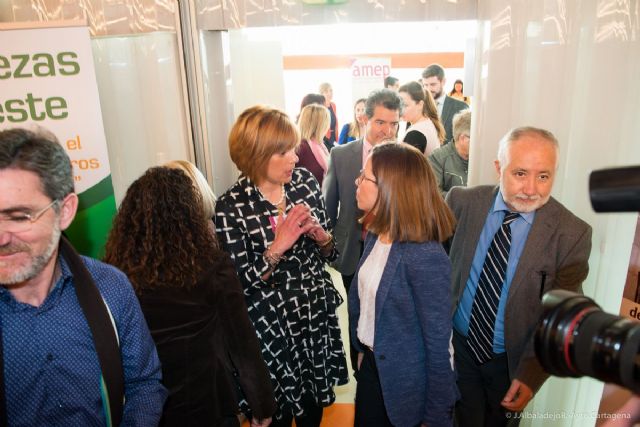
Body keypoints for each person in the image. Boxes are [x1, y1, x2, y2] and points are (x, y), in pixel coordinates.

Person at [0, 127, 166, 425]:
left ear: (65, 211)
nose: (2, 237)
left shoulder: (110, 288)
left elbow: (143, 384)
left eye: (19, 216)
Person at [104, 167, 276, 427]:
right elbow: (242, 342)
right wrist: (262, 405)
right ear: (189, 216)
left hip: (149, 408)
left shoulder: (117, 275)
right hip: (209, 403)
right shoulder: (212, 268)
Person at [446, 127, 592, 426]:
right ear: (499, 168)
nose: (531, 189)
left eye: (543, 176)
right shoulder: (462, 202)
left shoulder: (572, 234)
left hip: (512, 365)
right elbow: (435, 268)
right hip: (456, 350)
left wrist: (531, 376)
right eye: (520, 173)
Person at [214, 106, 348, 427]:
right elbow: (238, 286)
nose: (295, 158)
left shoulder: (304, 183)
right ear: (256, 154)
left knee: (313, 407)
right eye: (284, 152)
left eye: (293, 149)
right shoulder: (232, 206)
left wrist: (322, 238)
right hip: (271, 331)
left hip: (313, 318)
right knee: (278, 414)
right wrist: (276, 248)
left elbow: (332, 254)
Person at [349, 142, 458, 427]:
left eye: (364, 177)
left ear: (390, 189)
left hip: (405, 391)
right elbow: (368, 304)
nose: (357, 182)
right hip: (373, 369)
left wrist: (436, 416)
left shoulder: (424, 255)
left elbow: (439, 346)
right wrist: (363, 352)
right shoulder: (377, 233)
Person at [323, 88, 403, 295]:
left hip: (392, 250)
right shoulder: (340, 155)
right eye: (380, 122)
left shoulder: (406, 160)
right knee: (354, 307)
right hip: (351, 250)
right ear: (365, 119)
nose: (388, 131)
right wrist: (330, 244)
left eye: (394, 124)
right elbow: (328, 207)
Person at [429, 109, 472, 196]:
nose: (481, 144)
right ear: (462, 138)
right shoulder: (437, 158)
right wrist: (465, 198)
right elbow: (434, 195)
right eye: (476, 139)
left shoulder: (481, 160)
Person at [421, 63, 468, 143]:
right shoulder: (418, 106)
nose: (428, 89)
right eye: (425, 85)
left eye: (433, 84)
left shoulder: (461, 107)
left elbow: (463, 141)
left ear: (443, 82)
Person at [398, 81, 446, 156]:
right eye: (399, 105)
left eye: (405, 105)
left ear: (420, 104)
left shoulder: (415, 134)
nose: (400, 110)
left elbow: (405, 163)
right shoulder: (427, 123)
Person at [296, 103, 331, 187]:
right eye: (326, 122)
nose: (328, 126)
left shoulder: (320, 145)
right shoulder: (301, 148)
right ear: (319, 125)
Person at [319, 82, 338, 150]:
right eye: (326, 91)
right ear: (321, 94)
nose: (330, 93)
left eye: (331, 90)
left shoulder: (333, 105)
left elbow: (335, 123)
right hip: (324, 138)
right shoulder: (320, 107)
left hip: (333, 137)